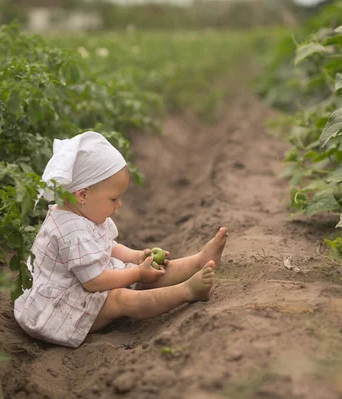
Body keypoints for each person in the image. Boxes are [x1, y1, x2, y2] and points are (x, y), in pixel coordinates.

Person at [14, 131, 227, 348]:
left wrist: (137, 257)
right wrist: (136, 272)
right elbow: (94, 282)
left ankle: (199, 261)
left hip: (83, 285)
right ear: (83, 195)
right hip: (60, 310)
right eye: (113, 198)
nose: (119, 205)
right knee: (120, 298)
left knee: (142, 273)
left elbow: (109, 246)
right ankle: (187, 292)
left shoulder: (83, 212)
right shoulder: (71, 232)